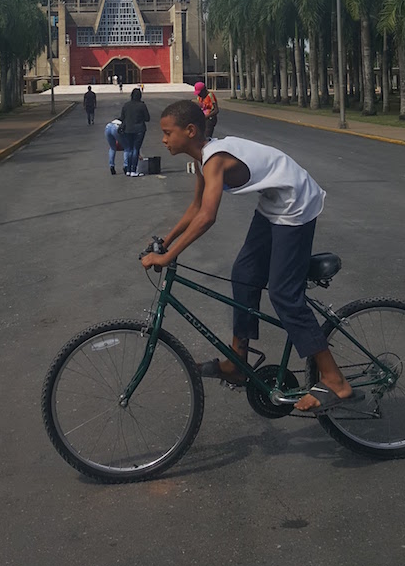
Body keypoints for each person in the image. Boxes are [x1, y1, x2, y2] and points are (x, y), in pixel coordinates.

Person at [141, 99, 358, 416]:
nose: (163, 139)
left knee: (285, 295)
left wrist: (169, 256)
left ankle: (335, 379)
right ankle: (237, 362)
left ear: (189, 131)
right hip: (274, 203)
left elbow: (207, 217)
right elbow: (195, 209)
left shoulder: (214, 160)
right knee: (243, 274)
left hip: (296, 204)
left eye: (166, 133)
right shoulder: (204, 159)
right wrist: (164, 242)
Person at [120, 87, 150, 176]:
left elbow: (122, 118)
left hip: (128, 129)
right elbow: (147, 118)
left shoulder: (126, 105)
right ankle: (134, 170)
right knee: (135, 149)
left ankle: (128, 170)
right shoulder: (142, 105)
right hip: (139, 129)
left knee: (129, 149)